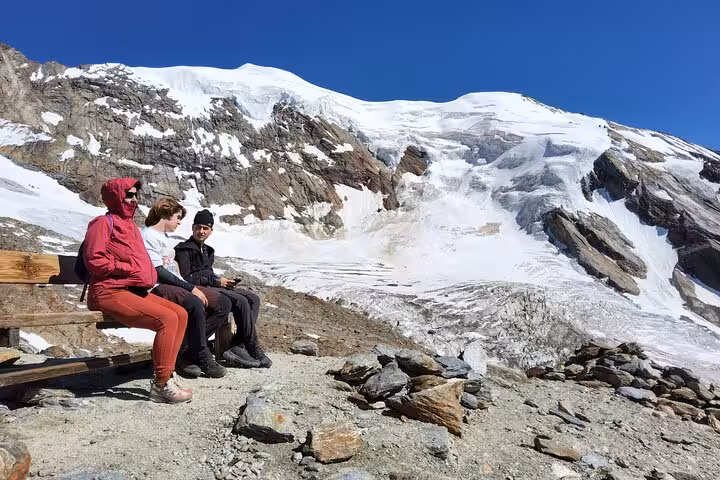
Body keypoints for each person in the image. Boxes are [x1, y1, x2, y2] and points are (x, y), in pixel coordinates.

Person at [82, 178, 192, 404]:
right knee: (167, 319)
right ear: (115, 197)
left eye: (135, 195)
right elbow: (94, 260)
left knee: (180, 314)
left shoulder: (130, 226)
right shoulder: (103, 223)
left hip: (130, 289)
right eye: (128, 195)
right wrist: (126, 268)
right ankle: (161, 385)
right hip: (108, 291)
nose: (134, 199)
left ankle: (168, 373)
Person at [141, 199, 231, 378]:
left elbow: (171, 268)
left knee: (219, 303)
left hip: (172, 285)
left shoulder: (163, 237)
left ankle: (188, 350)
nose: (179, 222)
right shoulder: (148, 235)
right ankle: (198, 353)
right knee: (195, 302)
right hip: (158, 287)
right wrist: (190, 288)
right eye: (177, 217)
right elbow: (158, 271)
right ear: (166, 215)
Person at [175, 209, 271, 368]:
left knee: (253, 299)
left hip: (211, 287)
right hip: (197, 289)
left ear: (211, 231)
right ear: (192, 228)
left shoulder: (208, 251)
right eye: (198, 227)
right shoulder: (184, 250)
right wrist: (216, 281)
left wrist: (222, 282)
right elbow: (186, 278)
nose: (201, 231)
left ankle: (238, 345)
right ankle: (252, 346)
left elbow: (208, 275)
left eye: (205, 228)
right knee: (239, 301)